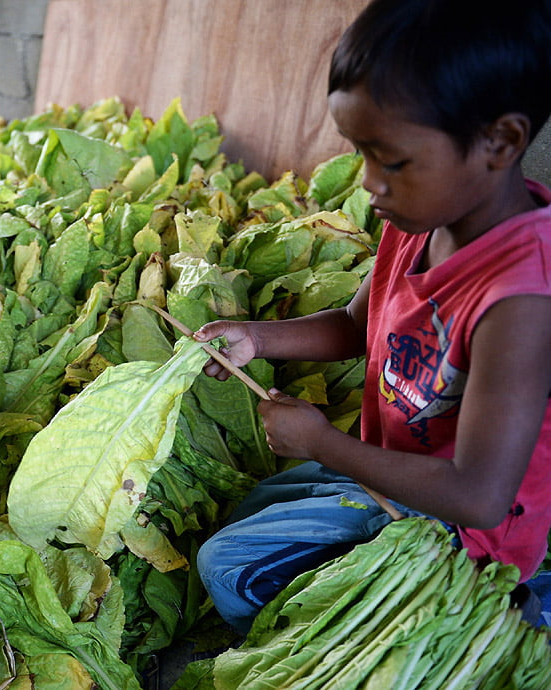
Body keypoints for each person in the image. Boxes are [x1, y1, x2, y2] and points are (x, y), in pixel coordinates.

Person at [194, 0, 551, 633]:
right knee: (249, 507)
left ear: (500, 141)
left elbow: (479, 495)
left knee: (228, 567)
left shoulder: (523, 298)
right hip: (396, 479)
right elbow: (358, 326)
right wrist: (256, 338)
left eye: (390, 160)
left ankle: (509, 608)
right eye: (361, 154)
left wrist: (324, 443)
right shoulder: (420, 221)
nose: (368, 183)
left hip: (465, 532)